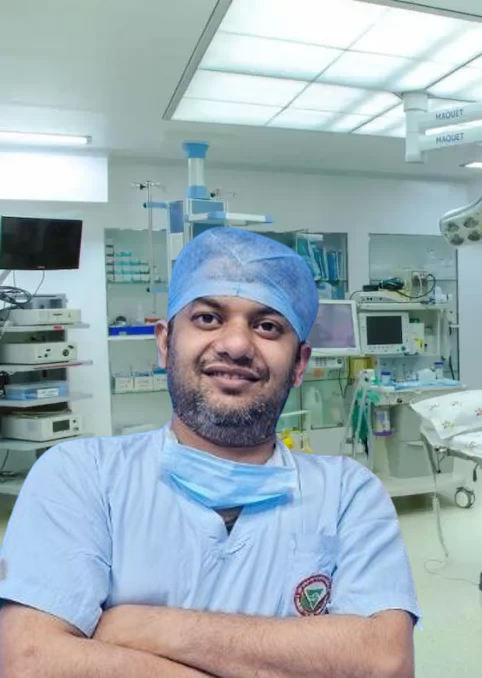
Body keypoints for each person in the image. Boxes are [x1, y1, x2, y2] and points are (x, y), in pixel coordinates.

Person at [0, 227, 420, 678]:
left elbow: (385, 663)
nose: (236, 345)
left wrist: (142, 627)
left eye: (267, 326)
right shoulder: (81, 475)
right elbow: (29, 661)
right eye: (207, 318)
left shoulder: (348, 493)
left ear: (299, 364)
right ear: (165, 343)